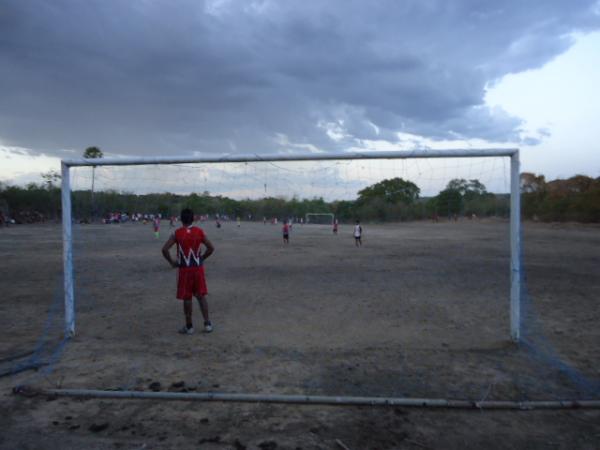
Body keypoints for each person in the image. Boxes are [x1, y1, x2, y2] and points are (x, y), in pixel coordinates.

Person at [162, 208, 215, 334]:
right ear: (193, 219)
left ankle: (189, 326)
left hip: (184, 269)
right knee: (201, 296)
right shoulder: (199, 232)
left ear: (181, 219)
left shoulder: (177, 233)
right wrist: (201, 258)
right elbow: (211, 248)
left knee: (187, 297)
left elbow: (164, 249)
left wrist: (172, 262)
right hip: (197, 269)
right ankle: (207, 324)